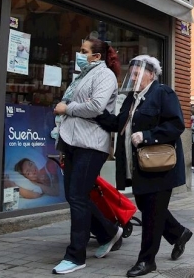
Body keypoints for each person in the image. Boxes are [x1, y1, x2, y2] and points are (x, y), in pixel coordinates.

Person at [95, 55, 192, 277]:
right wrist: (95, 114)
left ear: (151, 74)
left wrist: (148, 136)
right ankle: (179, 234)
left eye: (138, 73)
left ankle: (147, 261)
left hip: (160, 167)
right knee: (150, 209)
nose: (134, 76)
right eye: (132, 73)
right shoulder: (131, 98)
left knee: (151, 215)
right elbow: (119, 123)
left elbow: (176, 124)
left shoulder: (162, 93)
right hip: (138, 167)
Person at [50, 33, 123, 275]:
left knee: (78, 197)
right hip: (72, 142)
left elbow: (95, 107)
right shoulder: (84, 75)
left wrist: (67, 108)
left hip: (91, 145)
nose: (79, 55)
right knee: (75, 197)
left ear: (96, 56)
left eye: (83, 51)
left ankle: (75, 256)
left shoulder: (104, 75)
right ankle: (110, 232)